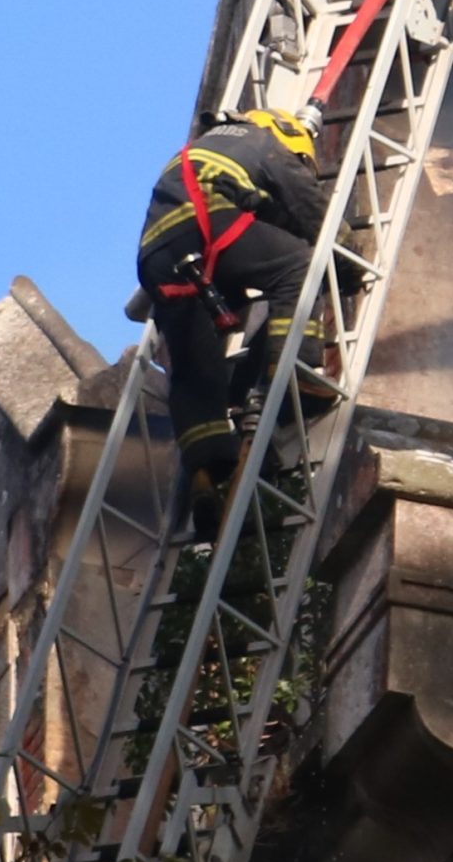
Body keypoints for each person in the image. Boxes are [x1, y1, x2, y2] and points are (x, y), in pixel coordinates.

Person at [137, 107, 330, 540]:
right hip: (207, 230)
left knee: (193, 364)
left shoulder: (203, 148)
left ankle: (205, 470)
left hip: (157, 256)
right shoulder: (269, 144)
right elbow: (308, 208)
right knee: (298, 264)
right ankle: (293, 369)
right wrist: (346, 254)